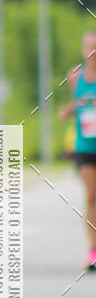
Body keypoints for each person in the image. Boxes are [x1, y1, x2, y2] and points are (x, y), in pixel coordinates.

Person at [59, 31, 96, 270]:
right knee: (92, 195)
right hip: (84, 145)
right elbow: (80, 101)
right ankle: (93, 251)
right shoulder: (75, 77)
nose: (92, 51)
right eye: (88, 47)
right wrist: (67, 111)